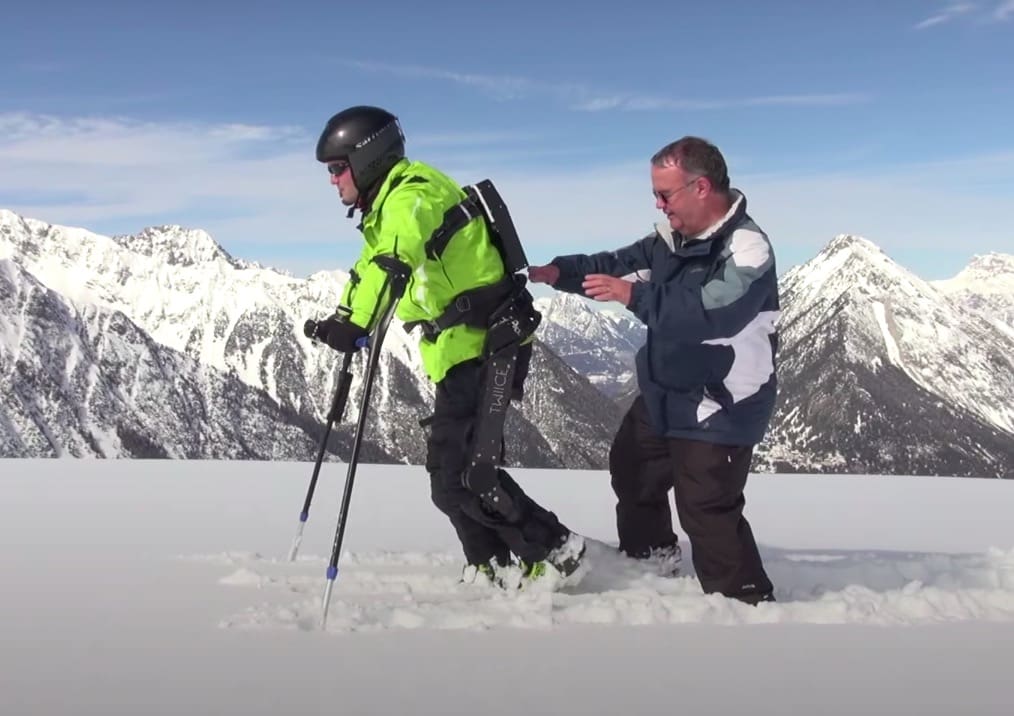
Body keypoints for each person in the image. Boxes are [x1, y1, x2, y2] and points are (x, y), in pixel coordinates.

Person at [307, 105, 585, 590]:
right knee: (446, 474)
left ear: (366, 158)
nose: (332, 180)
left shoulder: (412, 196)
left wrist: (359, 324)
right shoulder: (388, 204)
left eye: (337, 168)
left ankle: (557, 550)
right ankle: (490, 564)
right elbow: (368, 266)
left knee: (466, 475)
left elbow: (392, 261)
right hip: (460, 348)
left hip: (487, 345)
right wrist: (345, 317)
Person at [528, 136, 777, 604]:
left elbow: (714, 312)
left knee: (706, 507)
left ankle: (744, 601)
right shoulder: (668, 242)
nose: (658, 205)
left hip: (719, 402)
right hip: (666, 391)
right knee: (633, 469)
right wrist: (560, 273)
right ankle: (649, 564)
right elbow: (615, 266)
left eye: (664, 194)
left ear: (701, 187)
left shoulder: (747, 248)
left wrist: (633, 296)